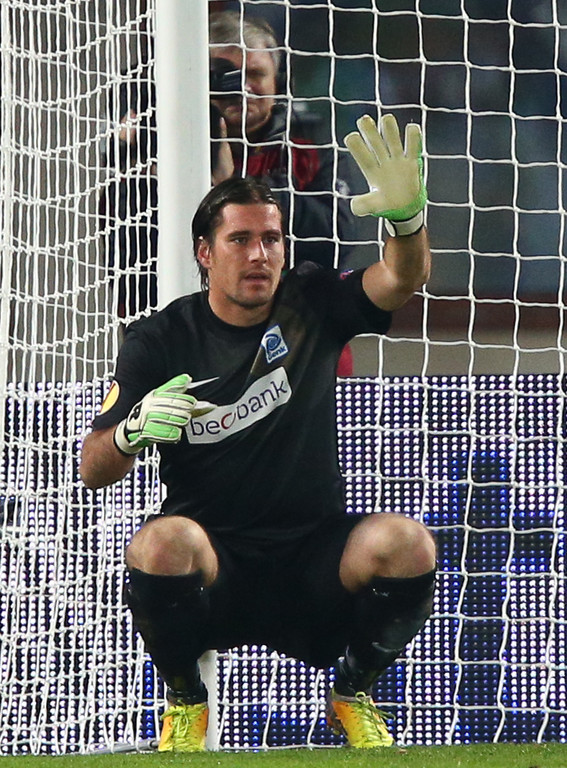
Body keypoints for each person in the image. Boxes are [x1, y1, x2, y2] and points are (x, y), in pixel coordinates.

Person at [80, 113, 436, 753]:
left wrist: (406, 224)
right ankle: (186, 705)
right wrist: (130, 432)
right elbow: (92, 467)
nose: (259, 254)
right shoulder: (160, 339)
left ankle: (352, 693)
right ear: (205, 253)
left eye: (271, 239)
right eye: (240, 240)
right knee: (160, 543)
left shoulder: (313, 301)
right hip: (216, 565)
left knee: (408, 543)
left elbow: (401, 278)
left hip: (314, 557)